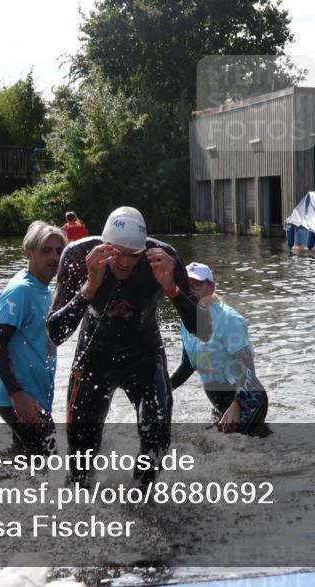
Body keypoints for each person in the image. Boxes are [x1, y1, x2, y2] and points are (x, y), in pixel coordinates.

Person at [47, 206, 209, 483]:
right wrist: (89, 287)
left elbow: (204, 330)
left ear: (143, 251)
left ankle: (144, 504)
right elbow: (56, 333)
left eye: (132, 255)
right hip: (93, 358)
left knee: (157, 435)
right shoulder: (77, 255)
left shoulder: (162, 258)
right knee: (81, 456)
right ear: (104, 245)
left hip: (143, 356)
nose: (123, 262)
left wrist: (172, 288)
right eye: (116, 252)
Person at [0, 221, 67, 454]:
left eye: (59, 250)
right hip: (19, 397)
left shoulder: (45, 290)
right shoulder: (20, 289)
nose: (54, 256)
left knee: (24, 462)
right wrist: (18, 396)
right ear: (28, 252)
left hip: (34, 396)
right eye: (46, 250)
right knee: (50, 456)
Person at [171, 263, 268, 434]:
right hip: (218, 401)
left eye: (198, 285)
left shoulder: (229, 319)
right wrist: (162, 389)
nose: (192, 291)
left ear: (212, 286)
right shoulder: (186, 321)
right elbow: (188, 364)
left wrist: (236, 406)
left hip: (247, 400)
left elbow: (248, 367)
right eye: (187, 286)